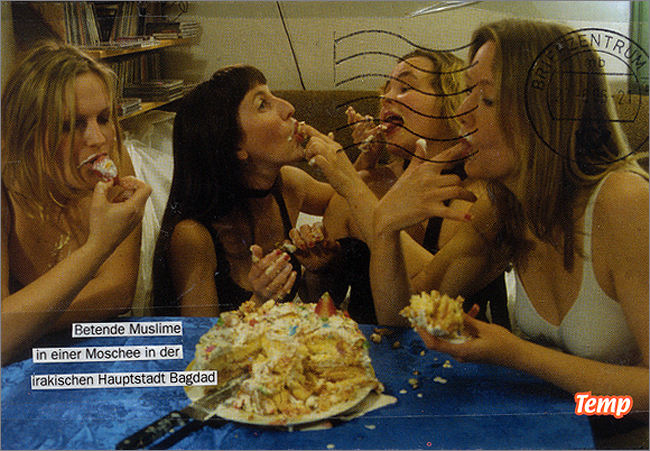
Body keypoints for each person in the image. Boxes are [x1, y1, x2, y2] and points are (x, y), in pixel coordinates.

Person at [370, 18, 649, 422]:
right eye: (467, 93)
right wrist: (384, 226)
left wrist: (518, 354)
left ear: (545, 113)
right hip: (548, 430)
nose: (462, 114)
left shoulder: (622, 202)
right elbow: (399, 318)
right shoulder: (506, 210)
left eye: (485, 99)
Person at [300, 49, 509, 326]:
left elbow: (425, 301)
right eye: (387, 89)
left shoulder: (480, 195)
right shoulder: (366, 183)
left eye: (405, 87)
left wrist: (350, 184)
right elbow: (319, 301)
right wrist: (318, 270)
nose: (386, 98)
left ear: (452, 103)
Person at [1, 41, 152, 366]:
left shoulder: (114, 159)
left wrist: (21, 319)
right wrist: (98, 247)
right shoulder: (4, 187)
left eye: (104, 118)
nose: (98, 139)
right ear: (26, 135)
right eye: (70, 125)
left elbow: (119, 292)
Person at [152, 65, 335, 317]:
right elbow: (201, 337)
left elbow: (348, 202)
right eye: (263, 104)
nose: (288, 108)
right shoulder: (193, 236)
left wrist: (319, 270)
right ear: (234, 146)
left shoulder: (290, 185)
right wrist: (259, 301)